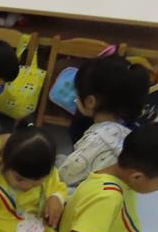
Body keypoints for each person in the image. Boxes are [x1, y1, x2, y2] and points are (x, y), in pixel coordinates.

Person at [57, 56, 152, 187]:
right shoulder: (131, 131)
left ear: (90, 102)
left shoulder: (96, 140)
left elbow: (64, 177)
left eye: (77, 94)